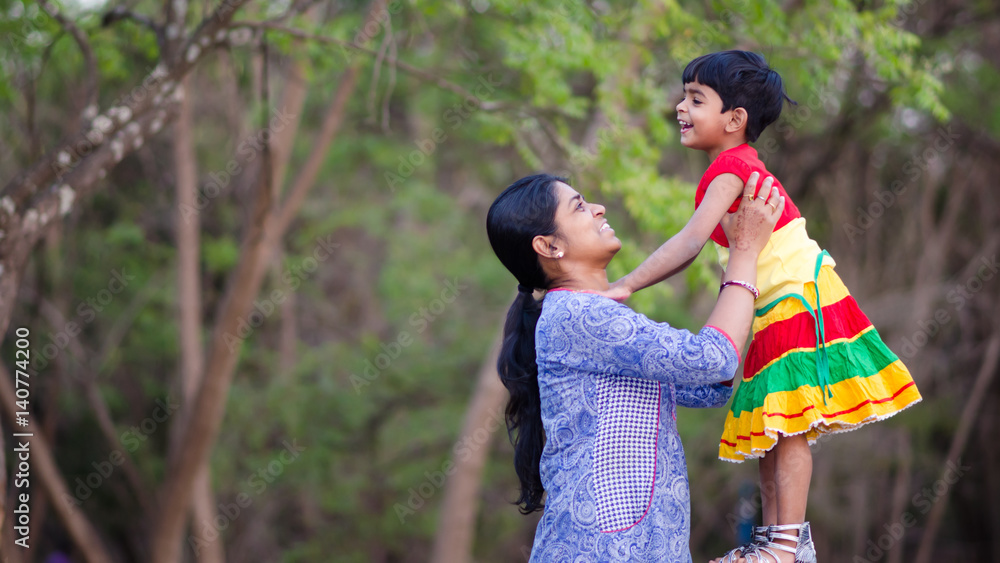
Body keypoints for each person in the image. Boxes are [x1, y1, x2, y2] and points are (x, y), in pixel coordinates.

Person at [604, 51, 922, 563]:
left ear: (735, 120)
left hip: (799, 301)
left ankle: (786, 545)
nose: (680, 107)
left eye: (695, 98)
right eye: (684, 95)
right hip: (781, 306)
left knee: (788, 428)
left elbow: (688, 244)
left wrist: (623, 285)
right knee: (774, 431)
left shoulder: (730, 168)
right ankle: (776, 541)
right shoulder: (731, 169)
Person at [486, 171, 784, 562]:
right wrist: (744, 252)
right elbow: (712, 360)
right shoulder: (578, 315)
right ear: (549, 245)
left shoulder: (593, 319)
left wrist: (740, 268)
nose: (598, 208)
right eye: (579, 206)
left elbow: (711, 385)